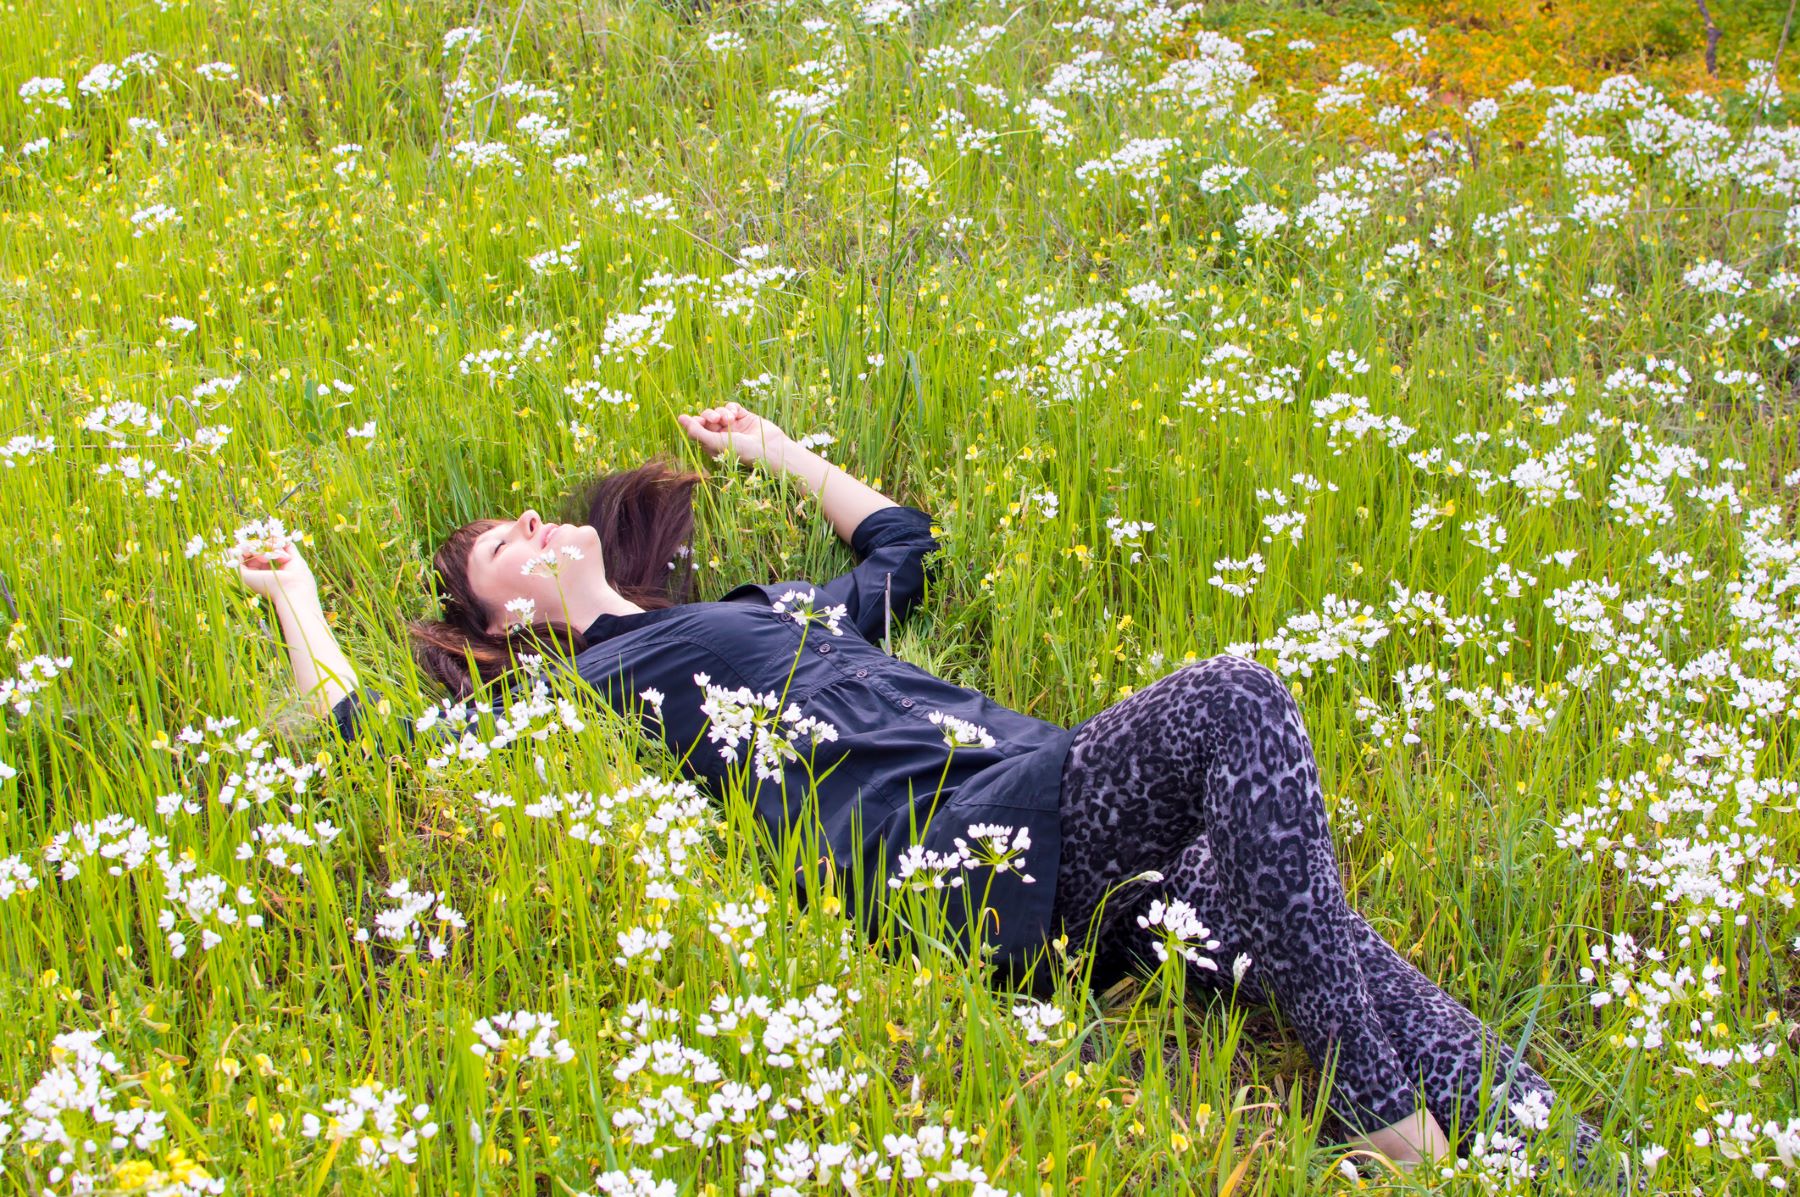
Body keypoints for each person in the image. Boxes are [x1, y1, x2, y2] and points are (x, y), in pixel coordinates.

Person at [237, 402, 1602, 1175]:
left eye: (526, 516)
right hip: (966, 848)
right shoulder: (585, 695)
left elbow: (903, 550)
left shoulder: (757, 608)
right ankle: (1389, 1116)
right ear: (510, 619)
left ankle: (1578, 1148)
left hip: (1050, 836)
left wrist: (774, 451)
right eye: (501, 554)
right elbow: (370, 742)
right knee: (1239, 696)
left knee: (1308, 926)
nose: (531, 530)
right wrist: (300, 603)